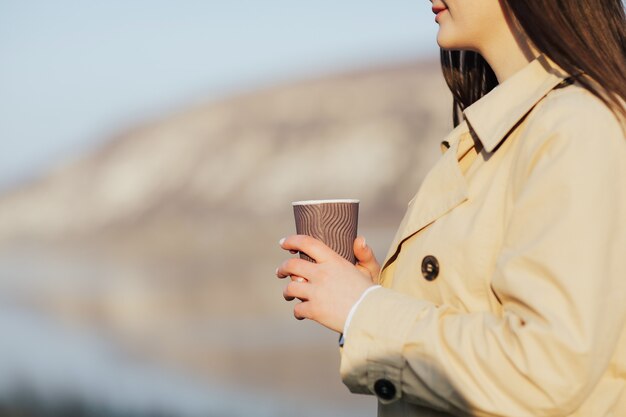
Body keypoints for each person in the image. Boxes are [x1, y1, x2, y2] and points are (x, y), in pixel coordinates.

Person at [276, 0, 626, 415]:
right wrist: (380, 292)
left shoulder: (576, 125)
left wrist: (364, 311)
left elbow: (545, 369)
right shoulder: (493, 133)